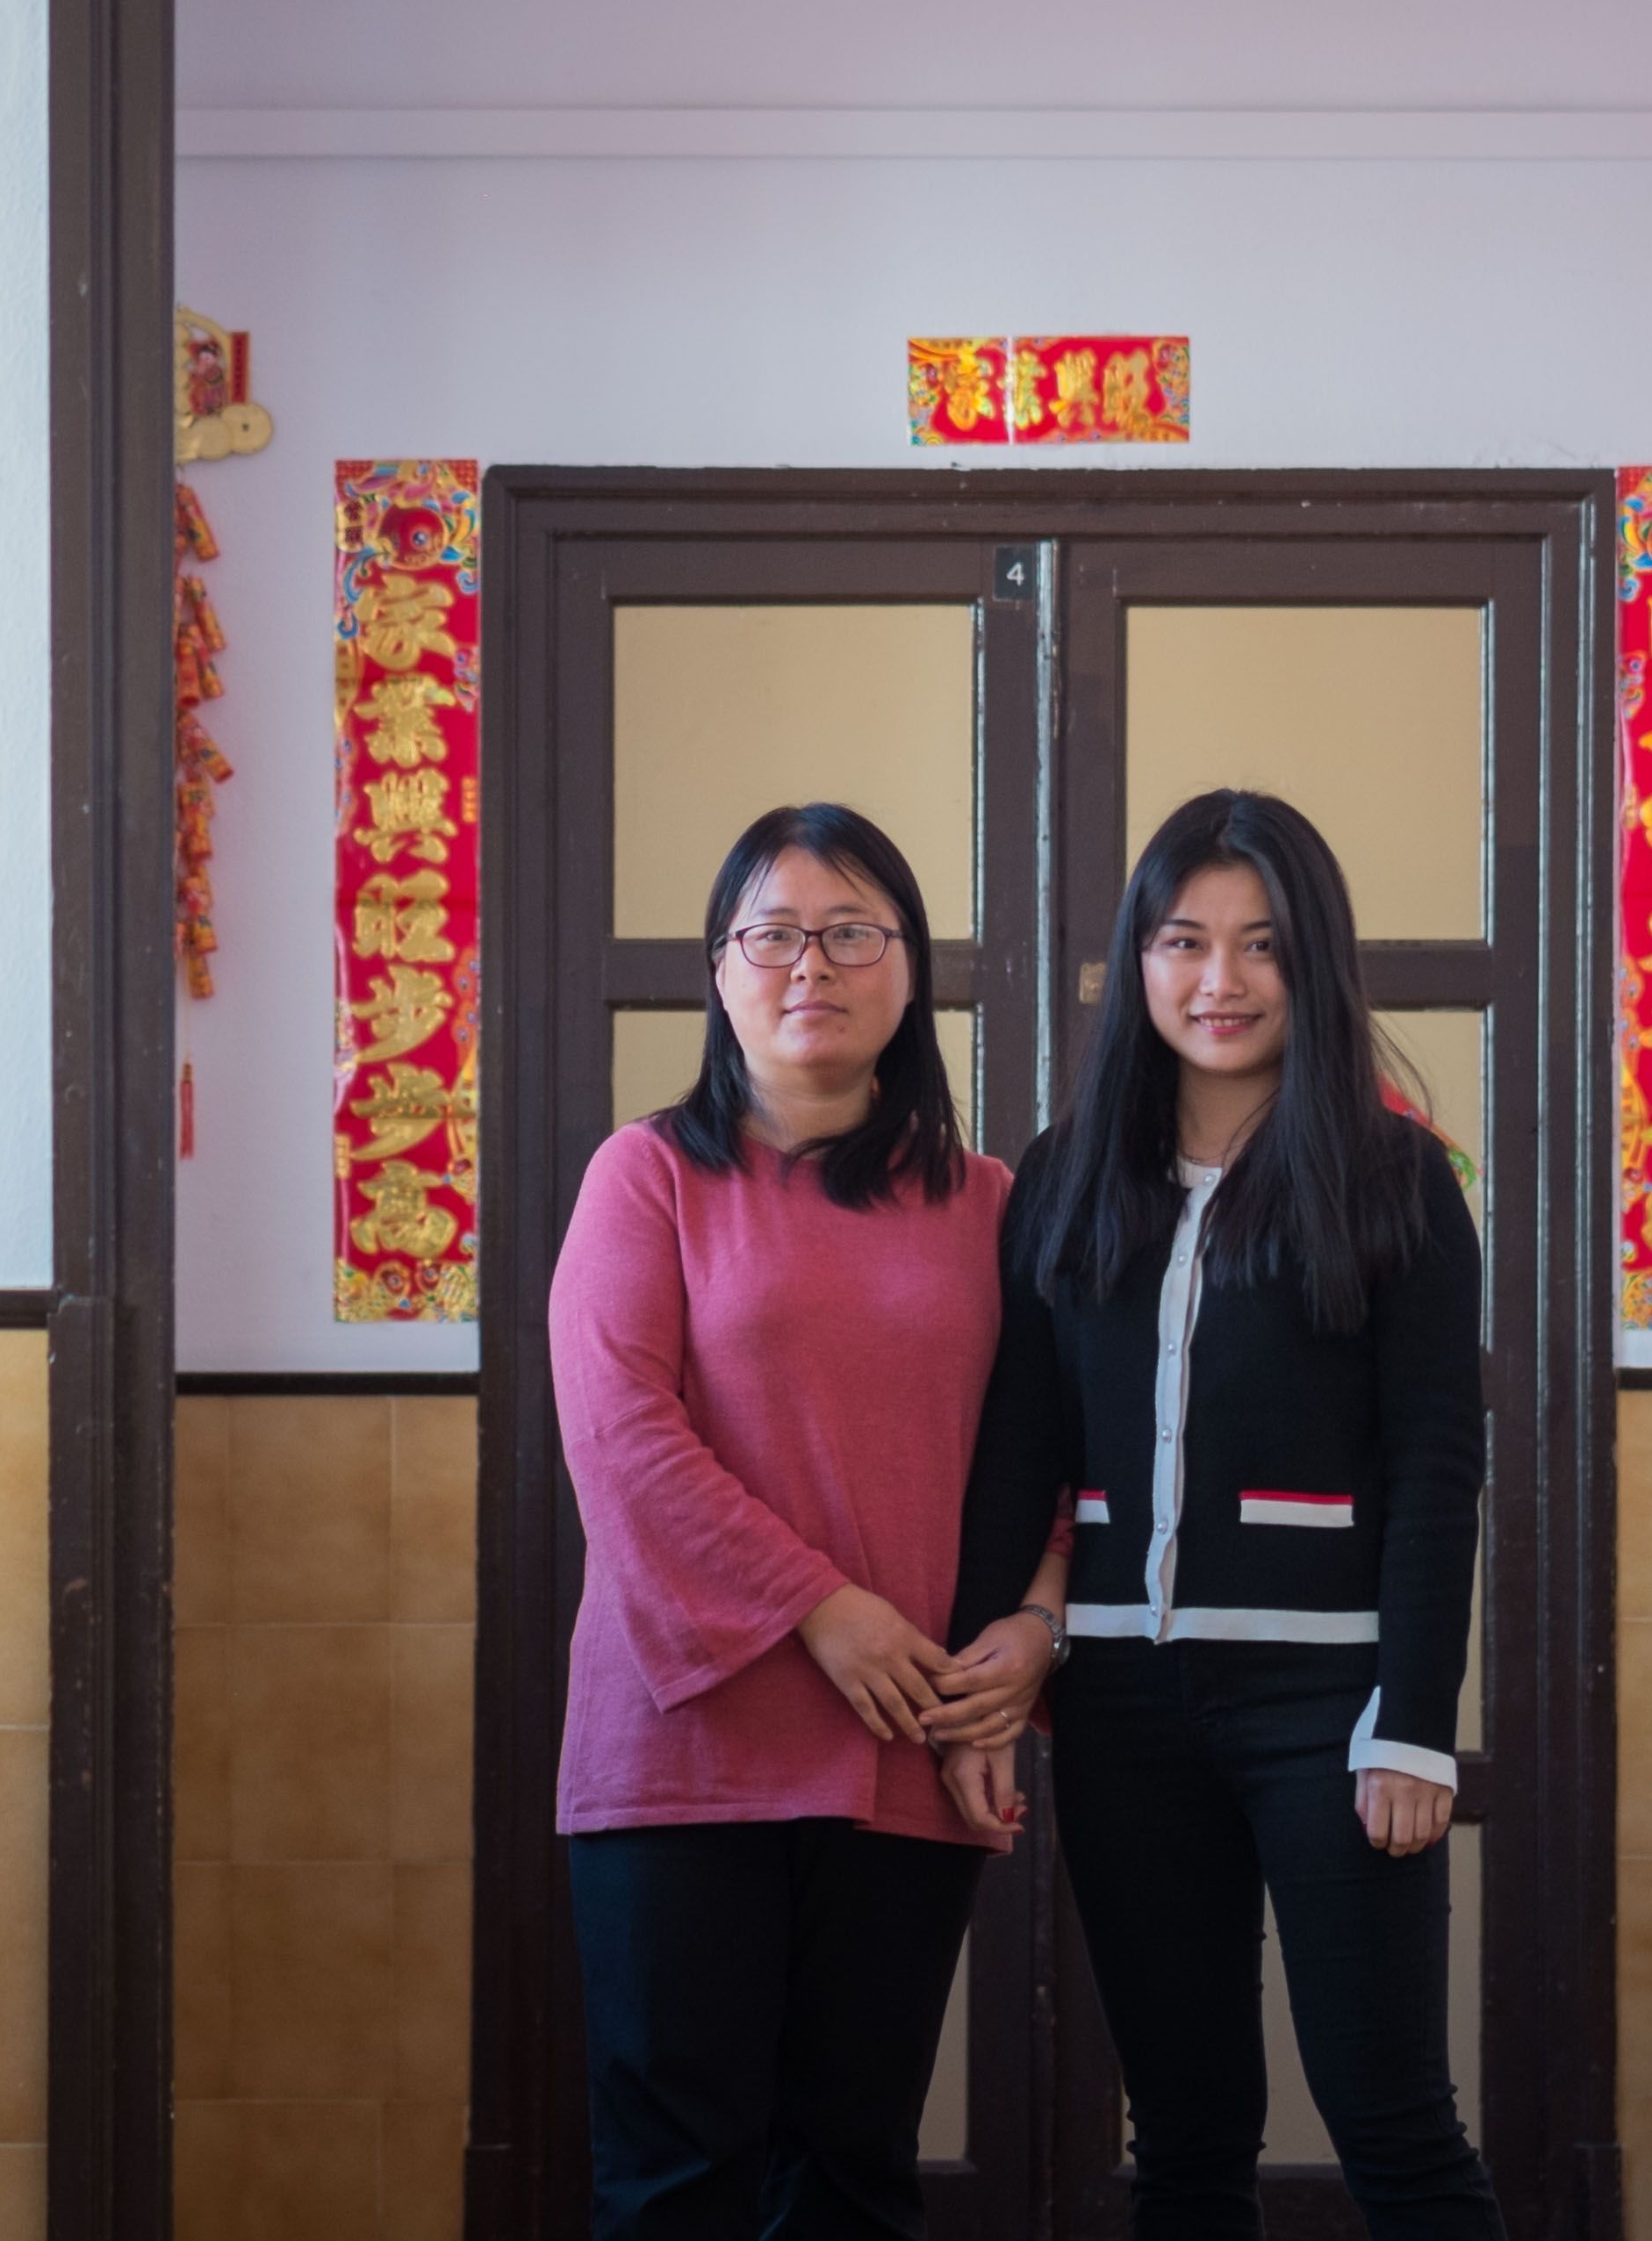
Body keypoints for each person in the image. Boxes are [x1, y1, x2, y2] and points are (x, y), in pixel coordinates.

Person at [945, 788, 1498, 2241]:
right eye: (1183, 942)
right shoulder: (1063, 1175)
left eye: (1261, 947)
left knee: (1394, 2123)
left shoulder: (1399, 1181)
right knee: (1184, 2140)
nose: (1220, 981)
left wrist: (1414, 1723)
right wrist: (984, 1690)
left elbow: (1438, 1465)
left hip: (1331, 1705)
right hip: (1121, 1703)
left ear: (1311, 966)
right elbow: (1021, 1447)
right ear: (1136, 961)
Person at [547, 801, 1051, 2241]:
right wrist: (819, 1608)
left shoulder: (991, 1202)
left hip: (906, 1744)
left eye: (850, 933)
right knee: (674, 2179)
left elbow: (1039, 1452)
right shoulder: (645, 1176)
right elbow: (619, 1433)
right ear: (719, 970)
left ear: (909, 971)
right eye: (772, 934)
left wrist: (1032, 1624)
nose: (808, 965)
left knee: (849, 2173)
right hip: (682, 1746)